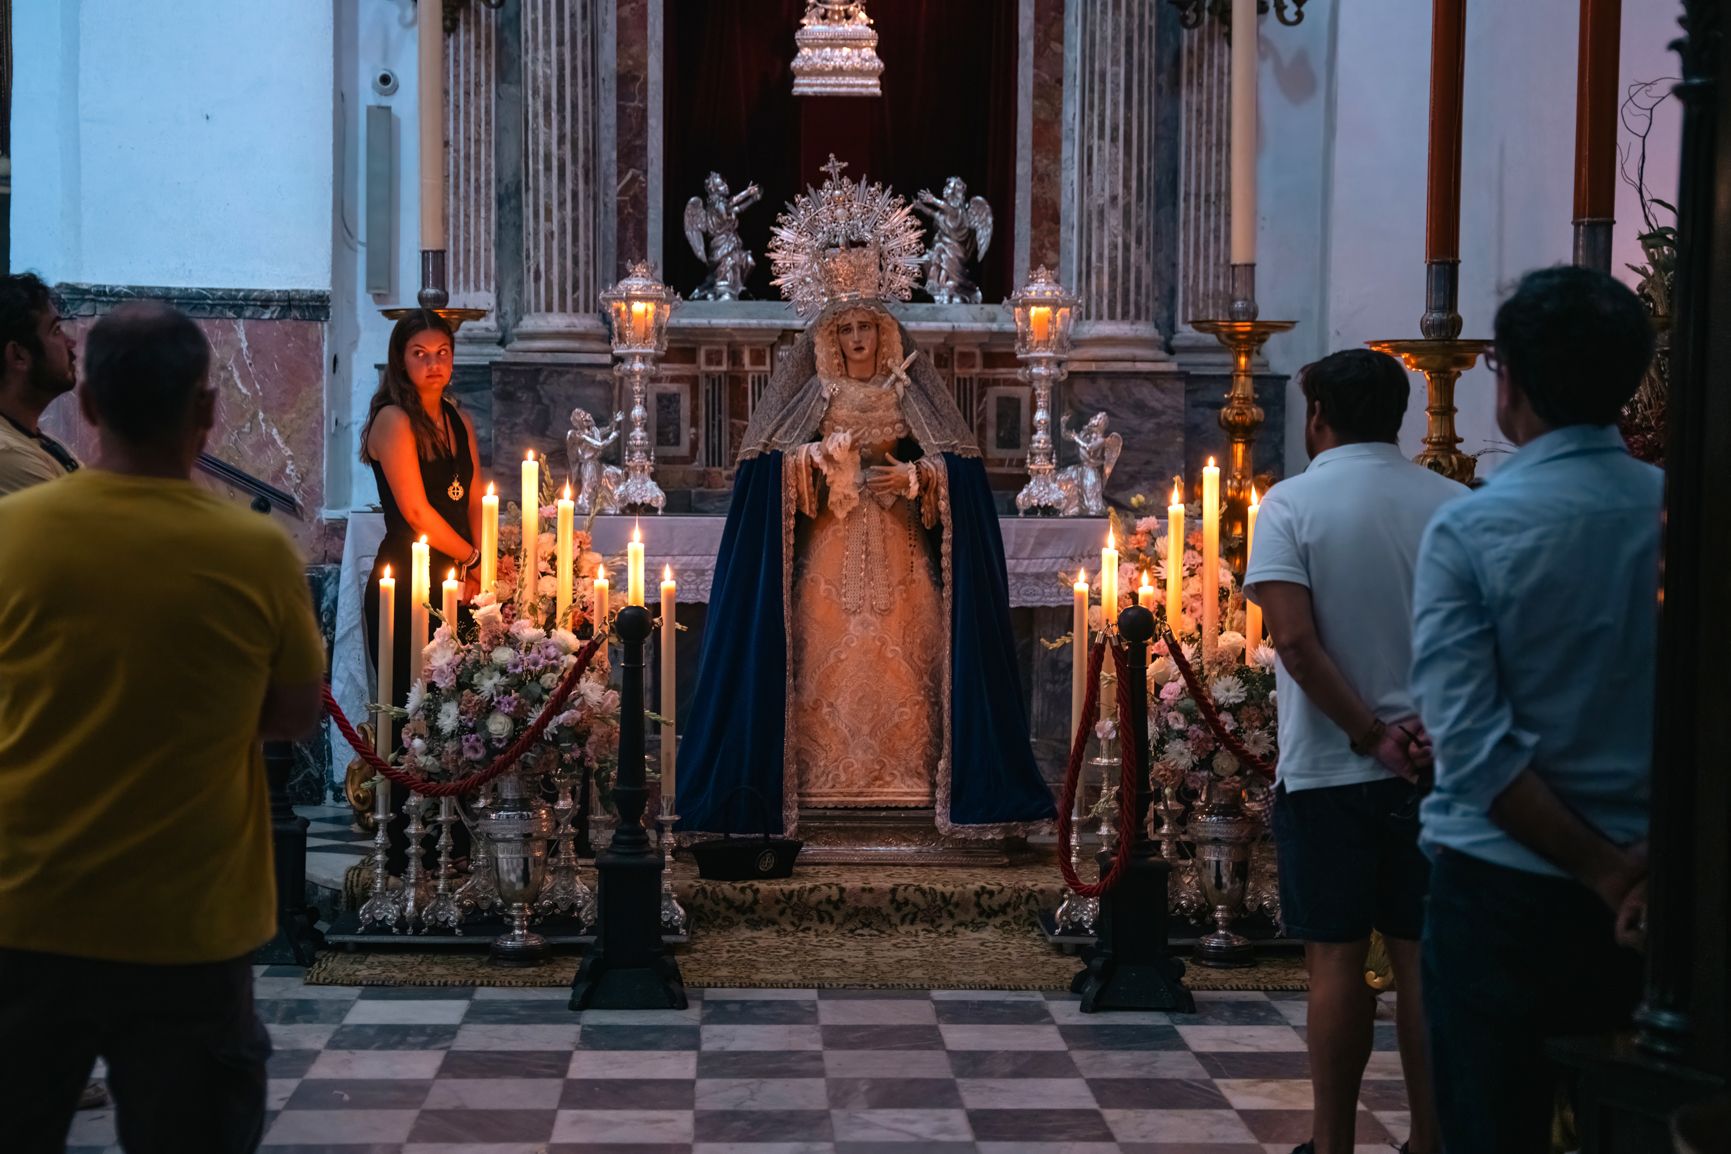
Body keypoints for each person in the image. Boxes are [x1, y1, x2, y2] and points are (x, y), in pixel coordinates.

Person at [0, 301, 327, 1152]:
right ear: (207, 412)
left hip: (26, 902)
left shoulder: (12, 533)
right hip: (189, 914)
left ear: (92, 408)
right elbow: (293, 715)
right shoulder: (254, 553)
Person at [677, 158, 1055, 836]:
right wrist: (815, 459)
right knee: (822, 647)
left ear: (884, 334)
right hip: (830, 542)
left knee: (909, 650)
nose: (856, 340)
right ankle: (821, 779)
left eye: (866, 329)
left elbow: (954, 471)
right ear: (827, 336)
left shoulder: (910, 390)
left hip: (899, 546)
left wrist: (913, 478)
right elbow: (766, 473)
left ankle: (913, 779)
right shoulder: (812, 394)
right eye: (845, 329)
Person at [1410, 265, 1659, 1153]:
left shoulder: (1475, 528)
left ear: (1507, 380)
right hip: (1666, 892)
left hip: (1505, 893)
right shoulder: (1683, 513)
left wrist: (1599, 870)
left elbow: (1472, 750)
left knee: (1493, 1129)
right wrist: (1639, 870)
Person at [1244, 349, 1459, 1154]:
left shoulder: (1292, 505)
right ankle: (1430, 1140)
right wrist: (1419, 733)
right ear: (1398, 415)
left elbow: (1294, 645)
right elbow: (1472, 641)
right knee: (1420, 965)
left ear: (1318, 416)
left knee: (1333, 963)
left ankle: (1331, 1143)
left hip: (1332, 768)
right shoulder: (1451, 502)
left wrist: (1368, 734)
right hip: (1434, 768)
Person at [360, 310, 480, 870]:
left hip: (457, 578)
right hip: (408, 581)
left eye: (442, 352)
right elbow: (414, 509)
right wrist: (469, 553)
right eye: (420, 354)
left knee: (459, 709)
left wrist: (477, 562)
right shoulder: (392, 420)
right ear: (400, 361)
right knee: (412, 709)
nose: (433, 364)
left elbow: (472, 495)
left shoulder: (458, 420)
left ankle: (457, 833)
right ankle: (406, 838)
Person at [0, 272, 82, 494]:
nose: (71, 343)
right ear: (18, 356)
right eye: (56, 331)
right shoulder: (8, 454)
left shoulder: (35, 439)